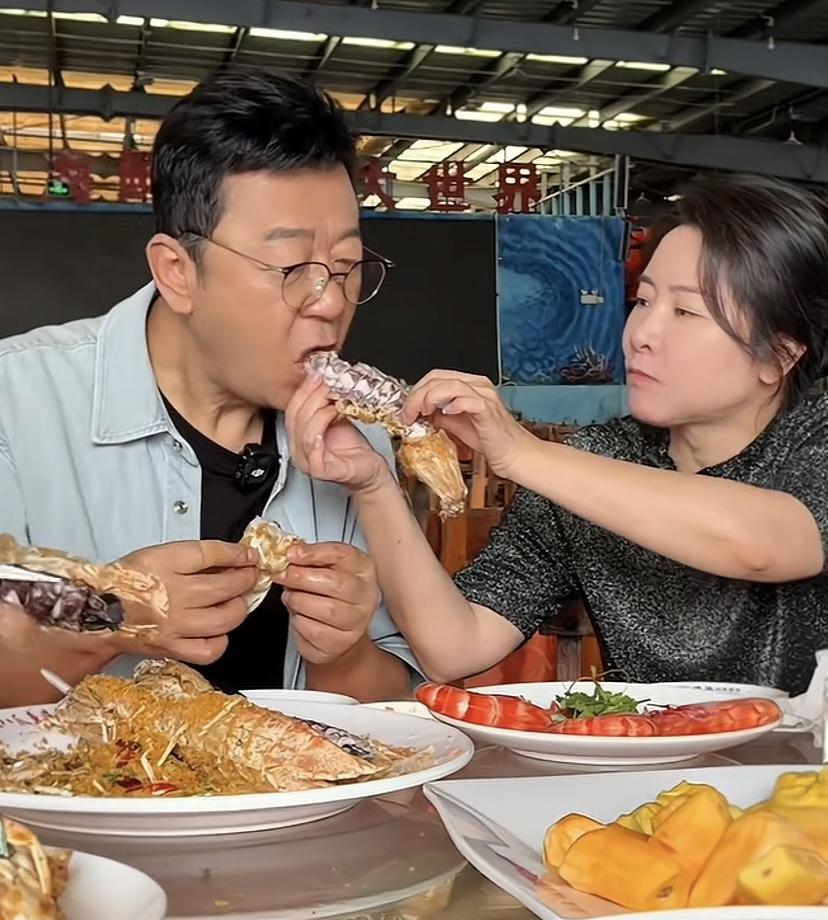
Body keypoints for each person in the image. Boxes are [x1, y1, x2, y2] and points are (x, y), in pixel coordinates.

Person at [287, 173, 828, 696]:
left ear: (779, 355)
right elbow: (455, 646)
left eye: (686, 311)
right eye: (643, 301)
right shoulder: (598, 461)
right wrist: (374, 485)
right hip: (649, 757)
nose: (641, 333)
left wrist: (523, 453)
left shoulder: (815, 436)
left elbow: (770, 544)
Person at [0, 68, 417, 703]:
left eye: (346, 266)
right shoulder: (17, 402)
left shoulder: (357, 448)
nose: (331, 301)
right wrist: (108, 613)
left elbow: (395, 708)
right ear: (177, 271)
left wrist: (344, 653)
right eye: (292, 267)